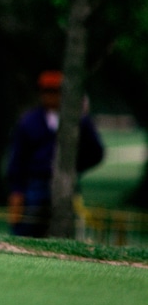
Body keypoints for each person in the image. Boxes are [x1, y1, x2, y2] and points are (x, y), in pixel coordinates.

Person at [6, 70, 105, 238]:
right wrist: (17, 190)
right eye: (46, 91)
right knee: (28, 228)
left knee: (64, 227)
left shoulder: (78, 120)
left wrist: (76, 166)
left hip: (66, 181)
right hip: (36, 182)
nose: (51, 96)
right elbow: (18, 159)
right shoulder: (29, 121)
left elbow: (96, 152)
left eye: (55, 92)